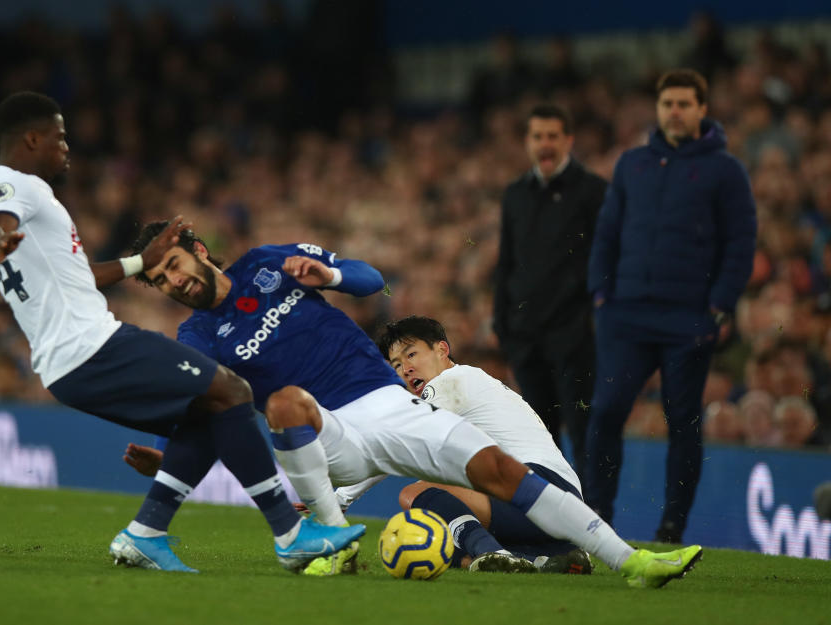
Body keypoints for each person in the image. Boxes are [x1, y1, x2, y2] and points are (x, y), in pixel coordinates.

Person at [123, 221, 703, 587]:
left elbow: (370, 279)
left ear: (197, 249)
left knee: (504, 471)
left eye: (173, 266)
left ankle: (632, 563)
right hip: (331, 434)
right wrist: (172, 456)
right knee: (286, 402)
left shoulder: (267, 263)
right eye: (158, 282)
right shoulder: (197, 338)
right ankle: (330, 540)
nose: (173, 283)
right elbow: (212, 410)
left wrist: (329, 272)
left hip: (394, 407)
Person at [0, 91, 364, 574]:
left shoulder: (19, 194)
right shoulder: (17, 188)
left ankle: (146, 534)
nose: (65, 147)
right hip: (93, 346)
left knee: (208, 411)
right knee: (232, 389)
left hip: (66, 364)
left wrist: (143, 260)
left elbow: (77, 276)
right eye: (59, 137)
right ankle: (290, 535)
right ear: (31, 138)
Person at [586, 69, 757, 543]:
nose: (674, 112)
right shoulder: (632, 163)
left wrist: (719, 306)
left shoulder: (726, 170)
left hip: (688, 320)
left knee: (682, 422)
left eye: (684, 104)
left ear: (703, 108)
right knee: (605, 412)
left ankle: (671, 528)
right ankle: (595, 518)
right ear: (658, 109)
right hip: (626, 315)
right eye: (667, 104)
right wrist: (601, 294)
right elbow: (607, 233)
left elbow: (740, 243)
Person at [365, 315, 593, 574]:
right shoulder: (472, 385)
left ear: (442, 349)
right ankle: (543, 558)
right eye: (396, 364)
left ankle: (491, 551)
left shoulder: (450, 382)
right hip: (561, 505)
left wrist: (341, 497)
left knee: (415, 495)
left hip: (539, 486)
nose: (405, 369)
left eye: (411, 354)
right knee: (440, 538)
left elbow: (394, 448)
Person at [492, 103, 607, 481]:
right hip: (526, 339)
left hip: (574, 337)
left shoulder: (593, 192)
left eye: (552, 136)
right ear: (527, 142)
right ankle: (549, 528)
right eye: (537, 136)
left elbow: (607, 262)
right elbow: (506, 261)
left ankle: (595, 524)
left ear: (568, 140)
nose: (545, 144)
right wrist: (503, 325)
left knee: (585, 433)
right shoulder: (515, 194)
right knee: (538, 440)